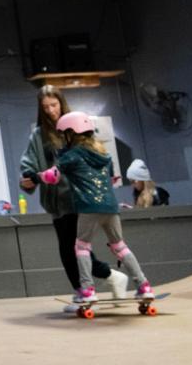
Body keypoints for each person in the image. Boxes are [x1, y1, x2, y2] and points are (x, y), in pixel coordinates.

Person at [19, 85, 128, 308]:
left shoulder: (76, 127)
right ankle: (95, 284)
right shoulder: (38, 135)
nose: (50, 110)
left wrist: (106, 178)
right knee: (69, 248)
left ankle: (92, 286)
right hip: (55, 200)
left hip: (79, 196)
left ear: (62, 102)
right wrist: (27, 178)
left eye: (54, 104)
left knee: (74, 247)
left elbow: (96, 152)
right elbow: (29, 163)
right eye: (45, 107)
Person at [38, 112, 155, 304]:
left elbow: (53, 176)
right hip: (110, 207)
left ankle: (87, 290)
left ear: (70, 133)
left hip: (88, 207)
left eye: (64, 134)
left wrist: (41, 175)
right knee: (120, 246)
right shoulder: (104, 155)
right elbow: (110, 179)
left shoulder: (72, 155)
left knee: (81, 247)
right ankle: (144, 286)